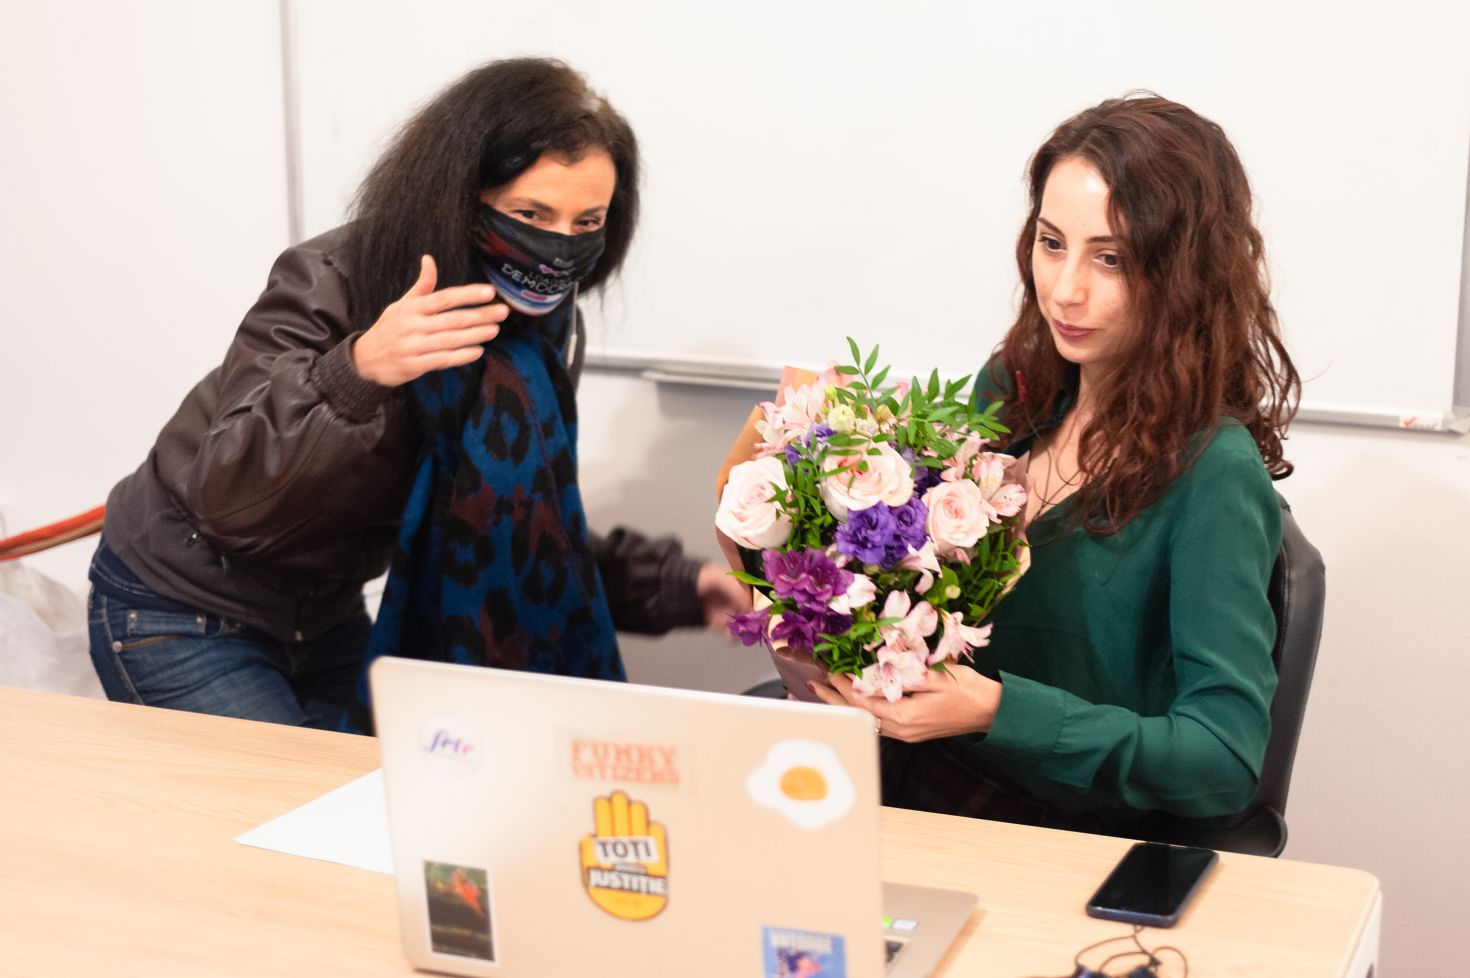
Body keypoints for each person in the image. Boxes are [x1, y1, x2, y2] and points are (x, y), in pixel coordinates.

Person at [87, 58, 749, 730]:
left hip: (325, 618)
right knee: (279, 817)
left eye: (587, 223)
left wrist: (679, 587)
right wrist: (358, 369)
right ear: (460, 193)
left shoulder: (538, 330)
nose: (558, 245)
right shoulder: (334, 278)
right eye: (531, 212)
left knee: (367, 811)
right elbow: (228, 493)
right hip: (181, 610)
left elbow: (525, 522)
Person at [811, 95, 1301, 835]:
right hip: (923, 780)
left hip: (1056, 835)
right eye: (1050, 242)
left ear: (1184, 275)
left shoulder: (1213, 472)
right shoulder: (1015, 387)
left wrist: (1000, 711)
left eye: (1111, 258)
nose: (1066, 289)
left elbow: (1224, 759)